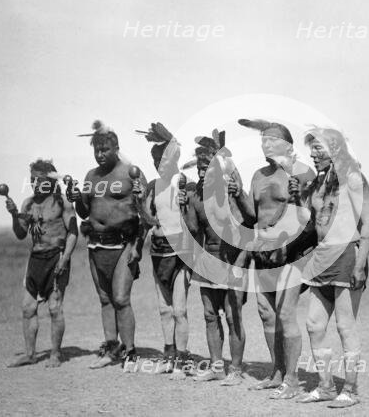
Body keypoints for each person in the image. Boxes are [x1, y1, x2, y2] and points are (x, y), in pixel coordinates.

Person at [229, 119, 316, 399]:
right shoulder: (257, 175)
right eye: (263, 140)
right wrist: (238, 195)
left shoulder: (302, 173)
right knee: (267, 314)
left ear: (288, 146)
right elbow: (254, 217)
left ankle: (291, 380)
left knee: (286, 314)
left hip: (291, 253)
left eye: (272, 140)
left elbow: (309, 216)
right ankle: (277, 372)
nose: (265, 144)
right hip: (263, 250)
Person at [294, 128, 369, 408]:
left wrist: (360, 265)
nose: (314, 154)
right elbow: (311, 224)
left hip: (347, 258)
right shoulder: (319, 183)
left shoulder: (353, 178)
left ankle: (350, 390)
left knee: (344, 326)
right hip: (322, 258)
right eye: (312, 149)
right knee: (314, 324)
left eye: (319, 148)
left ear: (336, 149)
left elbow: (368, 225)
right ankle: (326, 386)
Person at [67, 120, 147, 369]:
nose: (100, 155)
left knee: (121, 299)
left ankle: (131, 352)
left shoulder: (130, 172)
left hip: (123, 244)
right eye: (97, 151)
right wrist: (76, 198)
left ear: (116, 148)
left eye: (105, 150)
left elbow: (144, 214)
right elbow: (84, 211)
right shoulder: (91, 176)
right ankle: (112, 348)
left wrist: (137, 247)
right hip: (95, 246)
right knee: (105, 300)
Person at [186, 129, 249, 386]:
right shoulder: (196, 197)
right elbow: (192, 231)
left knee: (233, 317)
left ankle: (235, 369)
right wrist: (183, 205)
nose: (201, 171)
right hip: (207, 262)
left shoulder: (230, 193)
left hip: (232, 262)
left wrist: (239, 267)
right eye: (199, 167)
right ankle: (216, 366)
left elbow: (248, 234)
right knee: (210, 315)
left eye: (206, 167)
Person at [133, 122, 194, 380]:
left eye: (164, 158)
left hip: (180, 253)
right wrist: (139, 201)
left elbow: (194, 221)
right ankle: (168, 355)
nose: (160, 163)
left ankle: (182, 358)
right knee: (164, 310)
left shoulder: (184, 183)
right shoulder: (152, 187)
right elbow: (147, 221)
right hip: (157, 252)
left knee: (179, 310)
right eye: (156, 159)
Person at [6, 159, 77, 368]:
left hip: (57, 257)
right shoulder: (28, 204)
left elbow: (73, 232)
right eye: (32, 180)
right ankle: (30, 354)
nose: (35, 184)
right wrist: (13, 214)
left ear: (51, 181)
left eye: (40, 180)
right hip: (35, 259)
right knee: (27, 308)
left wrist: (65, 260)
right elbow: (20, 234)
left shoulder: (62, 202)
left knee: (55, 308)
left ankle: (55, 354)